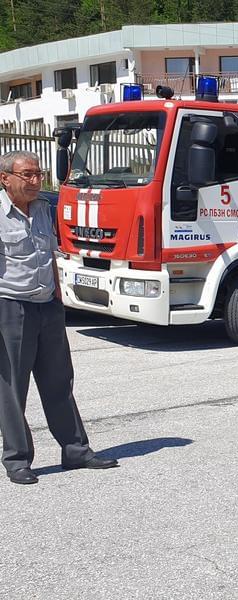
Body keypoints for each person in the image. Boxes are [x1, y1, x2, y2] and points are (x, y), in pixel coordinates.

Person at [0, 150, 118, 485]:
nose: (36, 181)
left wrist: (58, 295)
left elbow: (48, 253)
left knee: (59, 381)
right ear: (5, 178)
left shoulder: (42, 210)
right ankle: (17, 459)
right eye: (28, 175)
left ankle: (75, 450)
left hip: (48, 306)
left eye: (39, 174)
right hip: (11, 307)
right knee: (11, 388)